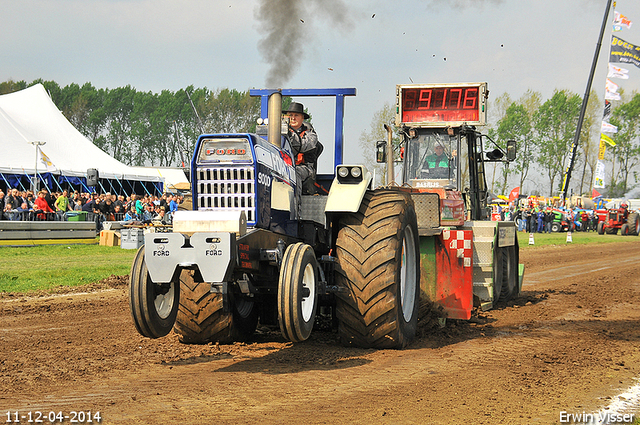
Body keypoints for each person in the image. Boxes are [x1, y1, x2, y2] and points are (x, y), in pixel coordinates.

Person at [283, 102, 323, 195]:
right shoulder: (279, 134)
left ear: (302, 118)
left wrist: (290, 135)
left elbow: (305, 145)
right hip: (282, 166)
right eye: (290, 115)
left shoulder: (310, 135)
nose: (293, 118)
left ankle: (296, 204)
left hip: (305, 168)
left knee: (293, 172)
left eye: (296, 115)